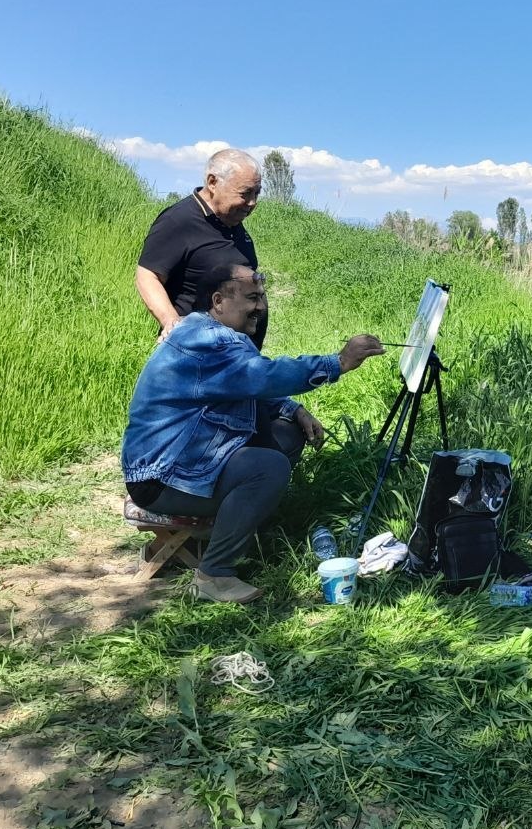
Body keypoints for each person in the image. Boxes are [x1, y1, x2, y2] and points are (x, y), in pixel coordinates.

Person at [121, 263, 385, 603]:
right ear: (218, 301)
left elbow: (245, 383)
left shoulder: (204, 331)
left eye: (261, 297)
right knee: (269, 466)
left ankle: (224, 529)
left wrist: (295, 409)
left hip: (179, 464)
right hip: (162, 478)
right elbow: (263, 376)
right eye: (251, 297)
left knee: (287, 434)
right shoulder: (211, 343)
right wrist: (338, 362)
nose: (261, 307)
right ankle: (214, 575)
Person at [135, 148, 267, 345]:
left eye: (257, 193)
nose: (252, 202)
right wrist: (171, 322)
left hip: (237, 352)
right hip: (197, 351)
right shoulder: (179, 221)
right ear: (213, 182)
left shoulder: (232, 222)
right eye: (245, 193)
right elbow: (147, 275)